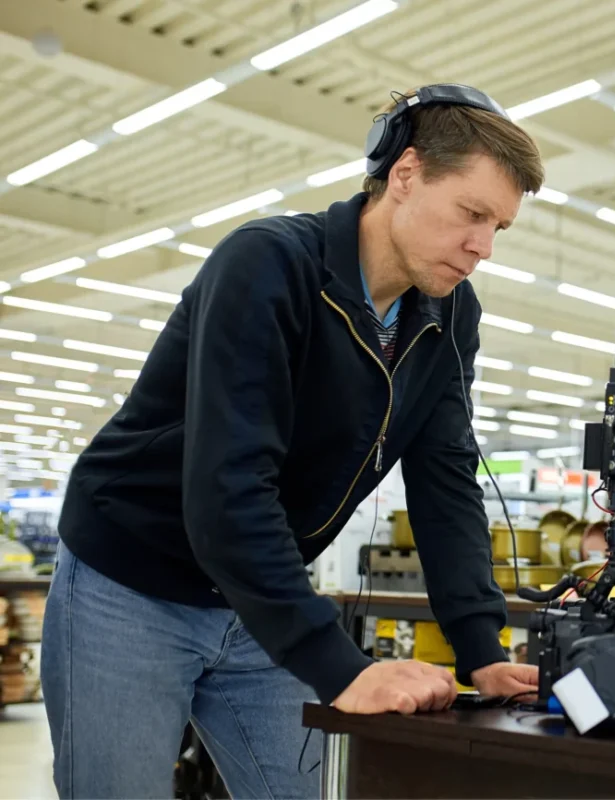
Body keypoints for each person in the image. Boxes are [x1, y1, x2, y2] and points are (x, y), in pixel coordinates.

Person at [40, 84, 545, 799]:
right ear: (404, 176)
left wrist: (481, 651)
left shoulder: (449, 316)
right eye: (472, 214)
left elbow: (447, 481)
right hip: (130, 586)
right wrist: (343, 669)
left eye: (500, 227)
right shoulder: (268, 265)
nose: (484, 248)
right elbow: (229, 488)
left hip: (259, 601)